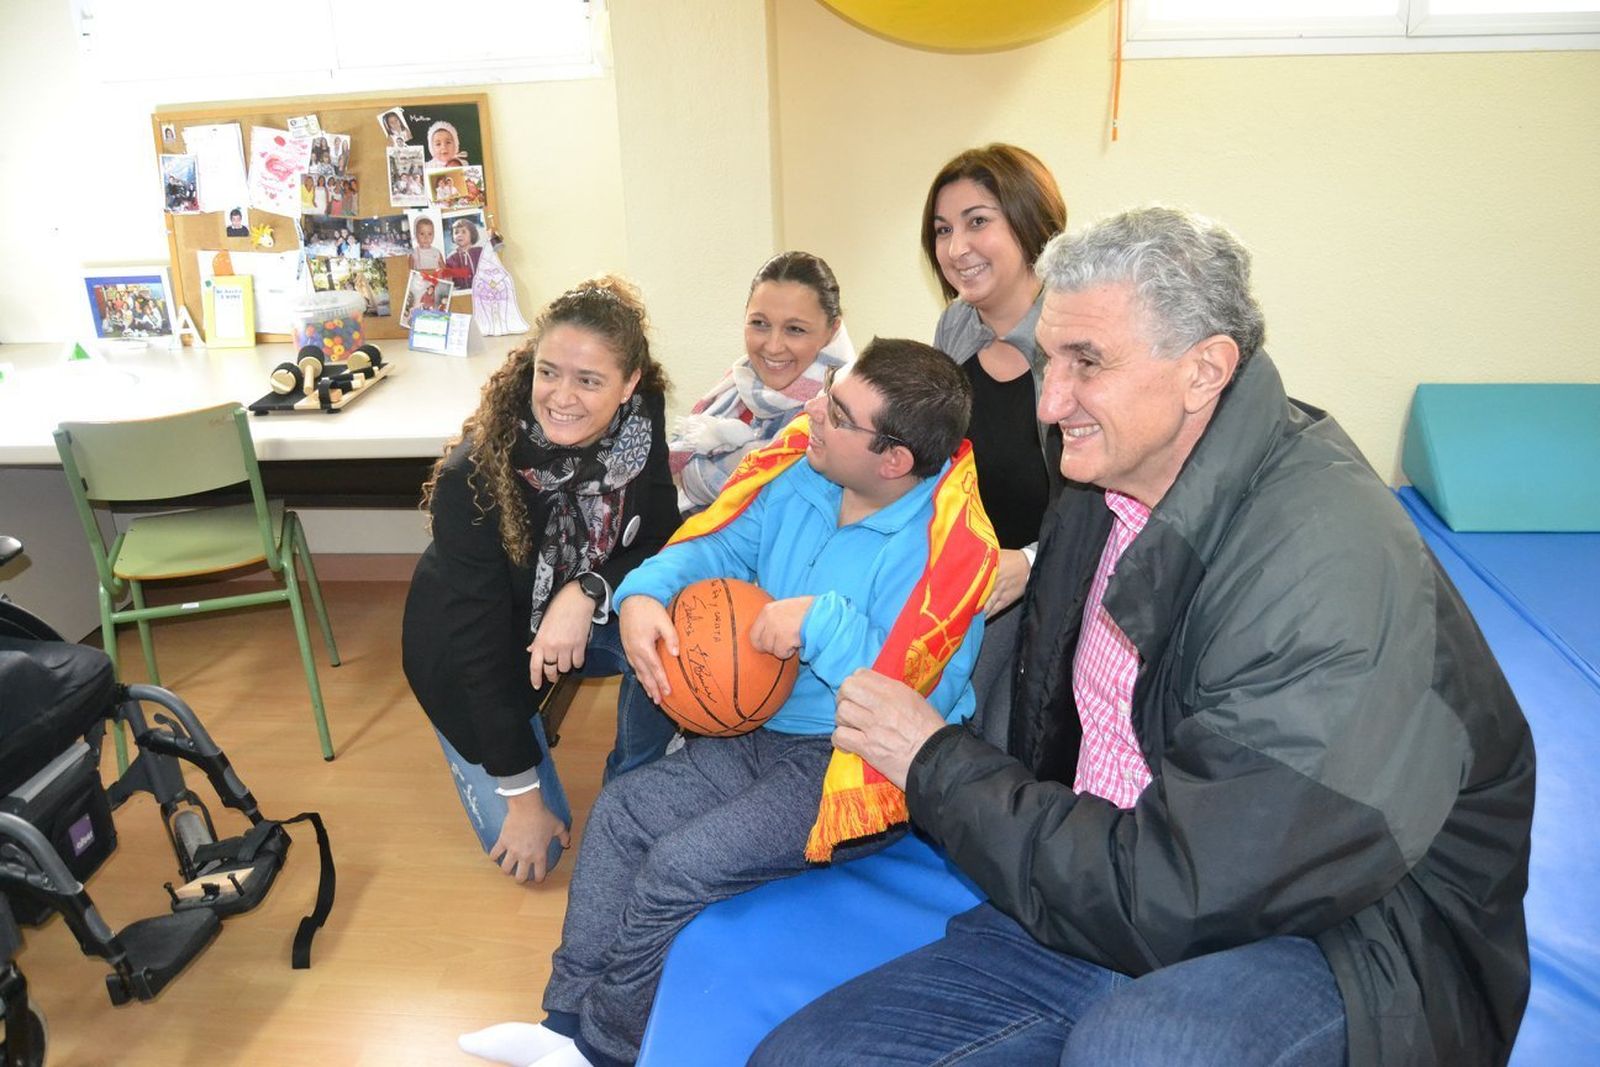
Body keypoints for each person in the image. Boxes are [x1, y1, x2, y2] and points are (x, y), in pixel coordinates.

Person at [751, 207, 1537, 1066]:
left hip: (1351, 936)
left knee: (1135, 1048)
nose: (1049, 401)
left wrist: (934, 760)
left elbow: (1184, 886)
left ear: (1205, 371)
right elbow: (1063, 738)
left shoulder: (1322, 571)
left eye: (1087, 364)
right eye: (1051, 359)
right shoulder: (1101, 476)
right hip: (1119, 876)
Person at [458, 339, 999, 1067]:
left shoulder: (954, 552)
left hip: (856, 766)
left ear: (893, 459)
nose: (813, 408)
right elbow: (713, 548)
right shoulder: (802, 473)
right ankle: (561, 1024)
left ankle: (606, 1049)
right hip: (764, 729)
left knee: (680, 866)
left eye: (836, 411)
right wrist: (646, 593)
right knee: (620, 815)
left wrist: (819, 621)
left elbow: (907, 692)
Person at [402, 277, 681, 886]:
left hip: (567, 610)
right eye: (549, 372)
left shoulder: (641, 417)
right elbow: (476, 653)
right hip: (471, 649)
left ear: (629, 384)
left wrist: (586, 591)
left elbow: (660, 533)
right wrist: (522, 798)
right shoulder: (471, 478)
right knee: (538, 854)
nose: (562, 397)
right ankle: (509, 764)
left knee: (675, 620)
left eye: (589, 380)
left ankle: (636, 790)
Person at [921, 144, 1067, 745]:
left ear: (1029, 222)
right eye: (942, 230)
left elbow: (1110, 503)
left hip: (1049, 574)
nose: (957, 249)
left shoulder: (1074, 338)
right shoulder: (956, 324)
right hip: (963, 566)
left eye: (979, 221)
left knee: (968, 724)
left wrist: (1029, 563)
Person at [669, 251, 854, 515]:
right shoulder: (734, 388)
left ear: (833, 330)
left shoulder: (844, 417)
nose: (773, 346)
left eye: (795, 329)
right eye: (760, 324)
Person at [446, 217, 484, 284]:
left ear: (472, 234)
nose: (459, 235)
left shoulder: (480, 252)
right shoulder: (451, 258)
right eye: (456, 232)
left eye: (464, 232)